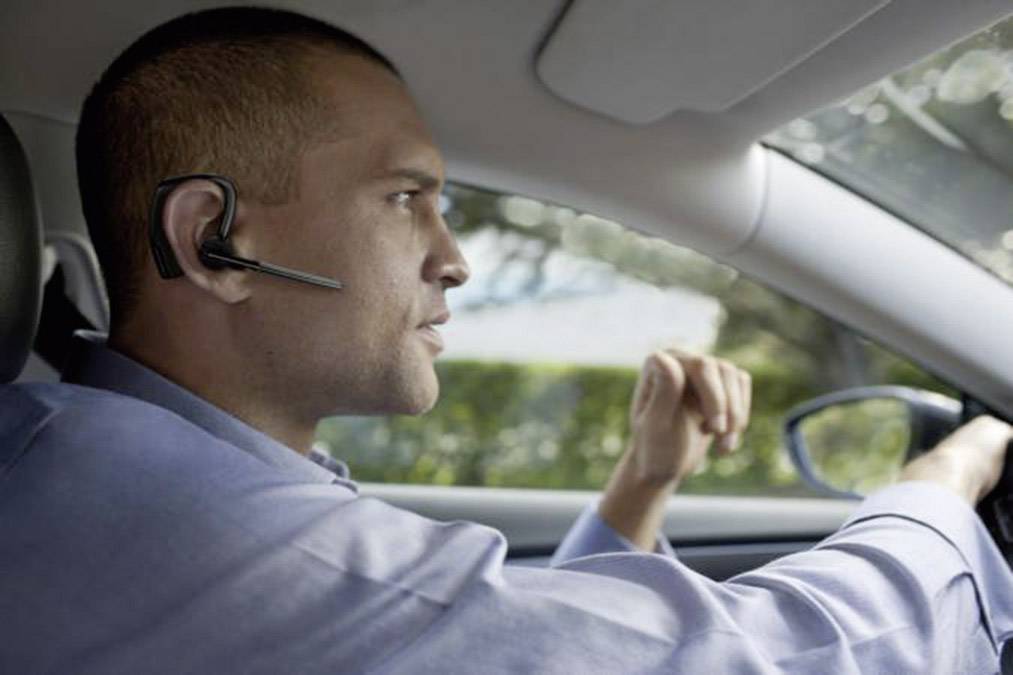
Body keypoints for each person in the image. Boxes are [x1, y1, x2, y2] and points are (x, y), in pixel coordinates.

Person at [1, 6, 1011, 673]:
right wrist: (948, 477)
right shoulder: (180, 530)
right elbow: (778, 657)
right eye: (405, 199)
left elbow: (471, 632)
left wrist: (643, 482)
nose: (453, 260)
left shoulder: (93, 466)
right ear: (212, 242)